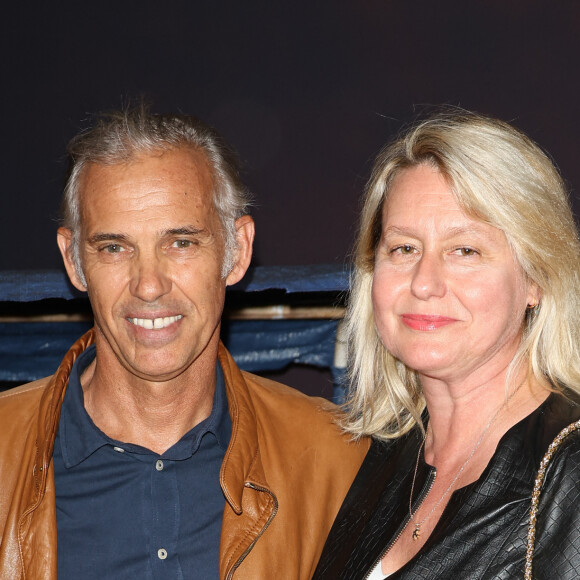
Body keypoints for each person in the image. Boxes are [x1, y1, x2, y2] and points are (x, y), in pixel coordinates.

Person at [0, 105, 368, 580]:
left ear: (237, 250)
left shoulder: (335, 462)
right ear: (74, 262)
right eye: (114, 247)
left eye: (181, 243)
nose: (149, 285)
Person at [313, 110, 580, 579]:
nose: (424, 283)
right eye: (404, 248)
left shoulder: (571, 472)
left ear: (536, 277)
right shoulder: (374, 456)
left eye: (465, 250)